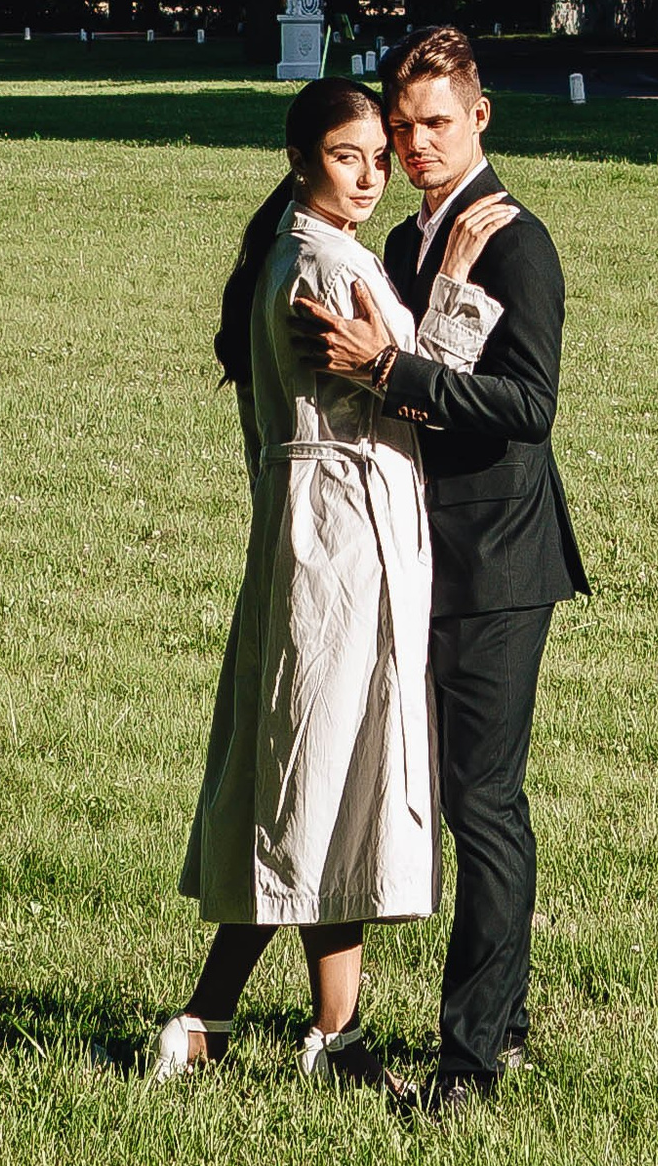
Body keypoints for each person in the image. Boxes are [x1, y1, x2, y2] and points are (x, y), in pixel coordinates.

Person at [293, 24, 589, 1111]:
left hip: (499, 562)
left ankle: (469, 1066)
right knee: (454, 799)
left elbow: (528, 407)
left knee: (483, 806)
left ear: (479, 119)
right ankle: (498, 1025)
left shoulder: (516, 244)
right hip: (417, 552)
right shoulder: (415, 241)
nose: (413, 145)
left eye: (433, 124)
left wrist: (395, 371)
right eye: (401, 125)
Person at [156, 76, 470, 1092]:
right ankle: (316, 1035)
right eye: (350, 156)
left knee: (315, 781)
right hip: (337, 541)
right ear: (303, 161)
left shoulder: (316, 251)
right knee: (318, 782)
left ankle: (238, 1024)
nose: (374, 173)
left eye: (381, 155)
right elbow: (421, 392)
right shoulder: (319, 266)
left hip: (327, 531)